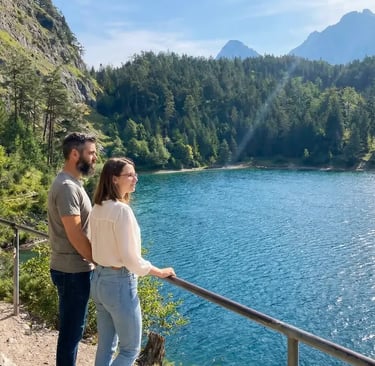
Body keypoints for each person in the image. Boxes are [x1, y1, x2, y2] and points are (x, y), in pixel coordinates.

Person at [88, 157, 176, 366]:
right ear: (114, 179)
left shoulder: (97, 208)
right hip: (119, 284)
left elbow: (92, 243)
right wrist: (159, 272)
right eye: (130, 175)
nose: (135, 179)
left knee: (106, 346)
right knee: (129, 350)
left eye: (135, 174)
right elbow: (131, 260)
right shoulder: (121, 210)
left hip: (99, 280)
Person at [47, 132, 97, 366]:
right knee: (71, 333)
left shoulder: (72, 183)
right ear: (74, 154)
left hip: (71, 269)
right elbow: (75, 234)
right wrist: (97, 260)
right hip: (72, 271)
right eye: (91, 153)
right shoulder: (67, 186)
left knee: (72, 331)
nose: (94, 158)